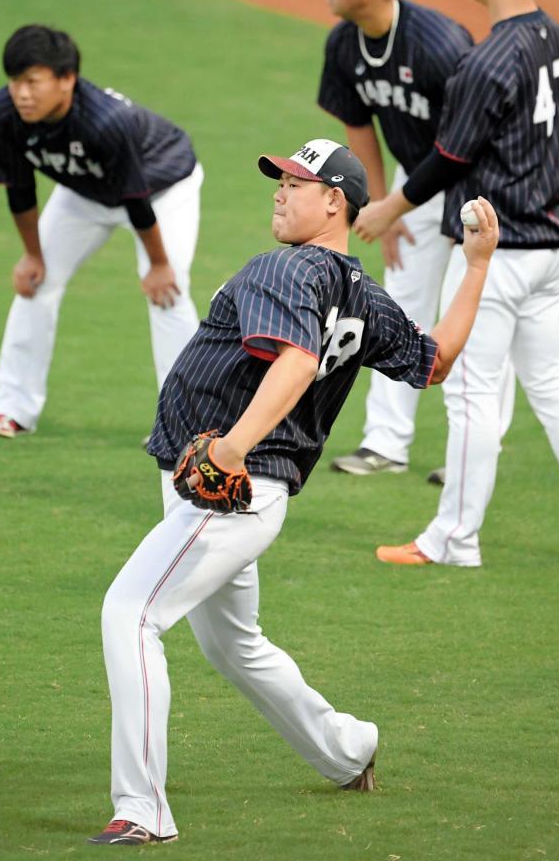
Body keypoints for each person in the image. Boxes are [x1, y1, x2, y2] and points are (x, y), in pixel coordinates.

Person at [89, 138, 499, 845]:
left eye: (294, 183)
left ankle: (144, 810)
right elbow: (435, 362)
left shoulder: (290, 267)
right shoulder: (362, 294)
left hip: (226, 495)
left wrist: (232, 445)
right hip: (243, 497)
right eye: (279, 180)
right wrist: (476, 267)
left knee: (129, 614)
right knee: (233, 645)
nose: (279, 192)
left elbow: (297, 359)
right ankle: (347, 748)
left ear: (333, 201)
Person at [351, 0, 559, 564]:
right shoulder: (556, 38)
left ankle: (453, 539)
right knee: (550, 383)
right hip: (551, 247)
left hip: (500, 251)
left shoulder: (488, 60)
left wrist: (387, 208)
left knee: (467, 392)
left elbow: (448, 159)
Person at [318, 0, 516, 484]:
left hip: (478, 178)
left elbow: (473, 139)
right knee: (397, 299)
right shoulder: (343, 44)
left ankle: (478, 449)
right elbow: (358, 125)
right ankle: (385, 442)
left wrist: (397, 206)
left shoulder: (437, 45)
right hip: (416, 183)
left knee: (475, 307)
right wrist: (380, 207)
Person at [0, 24, 202, 438]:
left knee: (169, 292)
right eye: (14, 81)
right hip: (85, 190)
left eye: (32, 82)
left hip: (162, 189)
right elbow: (20, 188)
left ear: (66, 80)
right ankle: (12, 409)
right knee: (36, 283)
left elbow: (136, 199)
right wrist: (34, 255)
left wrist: (157, 265)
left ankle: (185, 420)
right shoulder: (5, 113)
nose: (21, 93)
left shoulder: (106, 121)